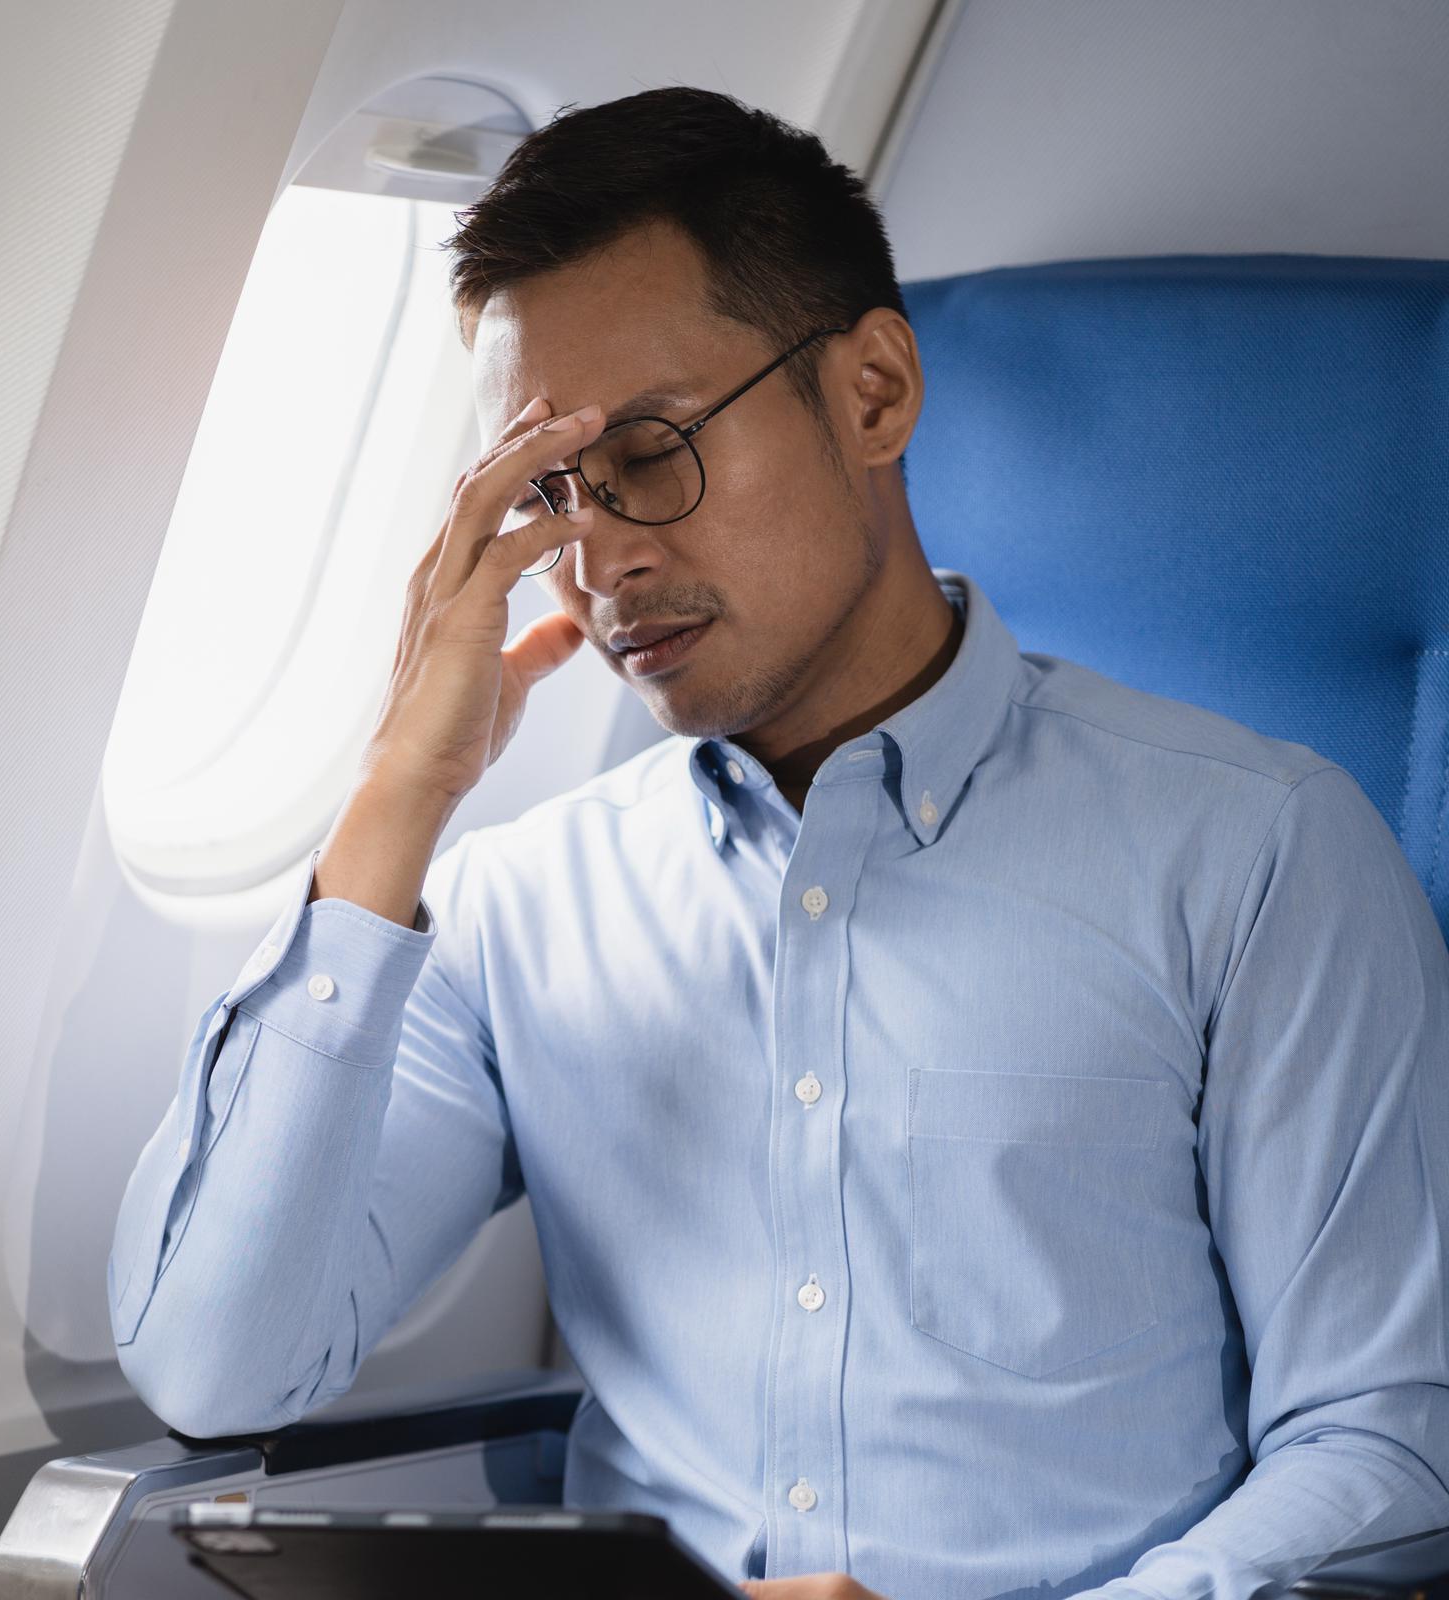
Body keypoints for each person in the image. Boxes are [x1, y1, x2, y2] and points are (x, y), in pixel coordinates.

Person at [104, 86, 1449, 1599]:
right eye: (551, 493)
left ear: (872, 394)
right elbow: (218, 1370)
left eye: (653, 454)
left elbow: (1385, 1451)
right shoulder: (513, 905)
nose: (604, 558)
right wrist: (397, 796)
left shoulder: (1256, 854)